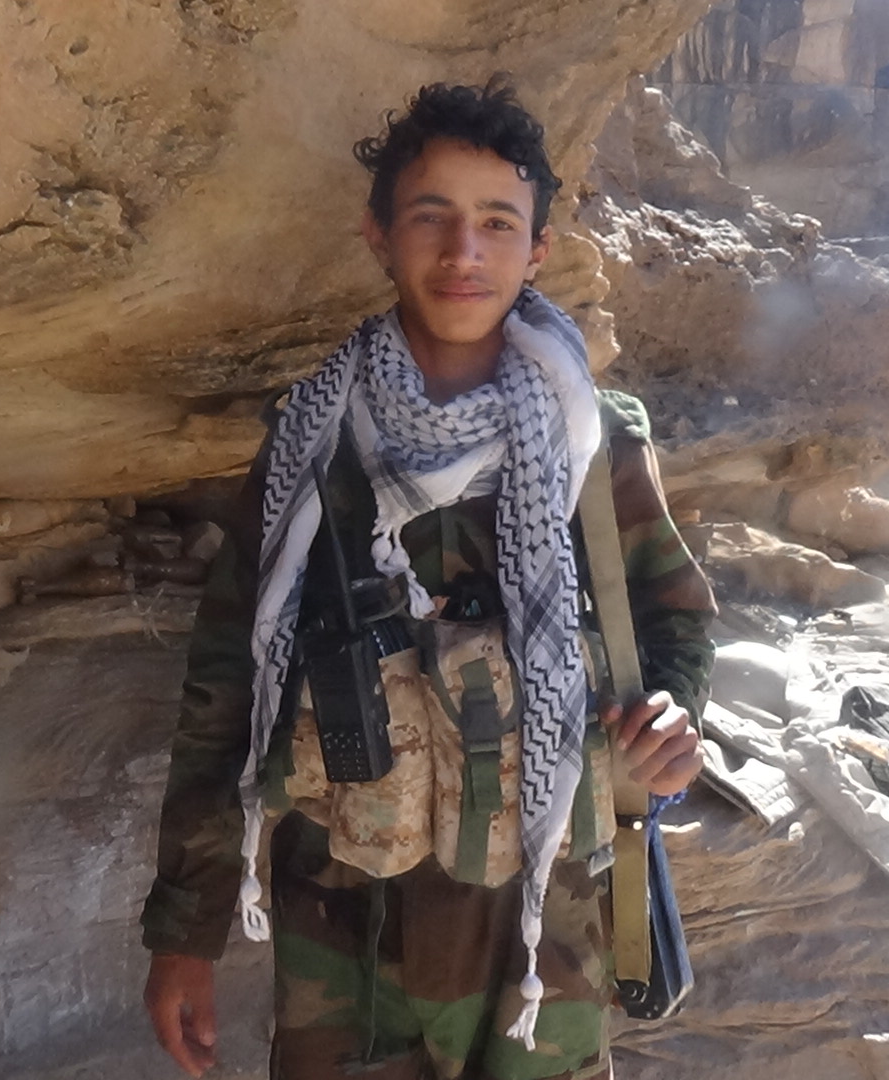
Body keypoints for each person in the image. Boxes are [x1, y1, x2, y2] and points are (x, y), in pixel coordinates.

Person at [140, 78, 716, 1080]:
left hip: (544, 932)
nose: (463, 252)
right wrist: (185, 931)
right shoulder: (313, 442)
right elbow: (226, 685)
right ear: (379, 235)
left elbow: (675, 623)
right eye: (431, 217)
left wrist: (669, 726)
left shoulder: (596, 444)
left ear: (537, 249)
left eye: (497, 223)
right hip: (346, 923)